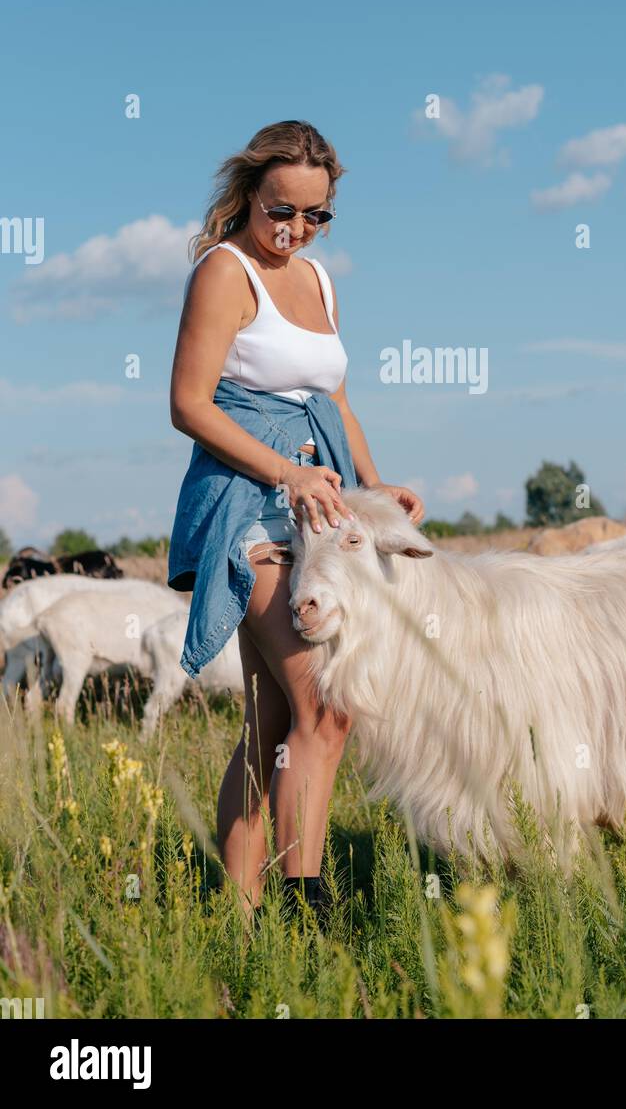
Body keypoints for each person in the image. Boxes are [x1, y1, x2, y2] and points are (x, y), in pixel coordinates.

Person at [167, 120, 424, 920]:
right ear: (249, 194)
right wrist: (284, 471)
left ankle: (239, 921)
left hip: (323, 511)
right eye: (281, 210)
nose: (294, 230)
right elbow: (186, 404)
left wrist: (378, 490)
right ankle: (306, 906)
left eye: (314, 216)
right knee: (326, 704)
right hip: (247, 506)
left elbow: (334, 400)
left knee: (273, 718)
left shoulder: (318, 281)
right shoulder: (225, 270)